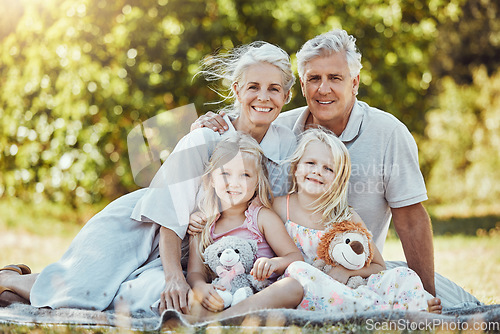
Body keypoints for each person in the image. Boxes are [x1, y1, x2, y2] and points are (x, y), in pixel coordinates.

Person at [0, 41, 298, 315]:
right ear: (236, 90)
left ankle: (23, 283)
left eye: (274, 89)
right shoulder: (207, 136)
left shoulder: (285, 143)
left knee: (129, 296)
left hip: (197, 247)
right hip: (144, 227)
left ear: (286, 96)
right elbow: (169, 212)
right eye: (253, 87)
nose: (263, 97)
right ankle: (11, 280)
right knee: (81, 294)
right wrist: (174, 278)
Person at [191, 29, 436, 297]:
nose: (323, 88)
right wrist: (209, 125)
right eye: (314, 79)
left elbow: (411, 219)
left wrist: (427, 294)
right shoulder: (279, 127)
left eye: (335, 78)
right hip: (277, 271)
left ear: (354, 82)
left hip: (350, 271)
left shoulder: (388, 133)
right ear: (301, 84)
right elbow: (237, 158)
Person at [171, 128, 441, 325]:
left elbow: (379, 267)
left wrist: (344, 271)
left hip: (349, 290)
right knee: (297, 271)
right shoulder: (276, 207)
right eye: (310, 163)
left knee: (404, 275)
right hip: (304, 289)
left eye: (328, 168)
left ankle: (407, 305)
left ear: (339, 178)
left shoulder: (346, 217)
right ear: (296, 168)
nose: (317, 171)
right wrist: (203, 216)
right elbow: (239, 211)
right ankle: (394, 311)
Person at [185, 133, 303, 314]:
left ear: (257, 182)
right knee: (181, 299)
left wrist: (274, 263)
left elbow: (295, 257)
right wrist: (200, 287)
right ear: (211, 180)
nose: (234, 183)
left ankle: (227, 318)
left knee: (293, 287)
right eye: (225, 173)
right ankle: (227, 317)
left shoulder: (262, 217)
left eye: (245, 175)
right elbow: (194, 272)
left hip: (259, 297)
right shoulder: (203, 224)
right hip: (222, 297)